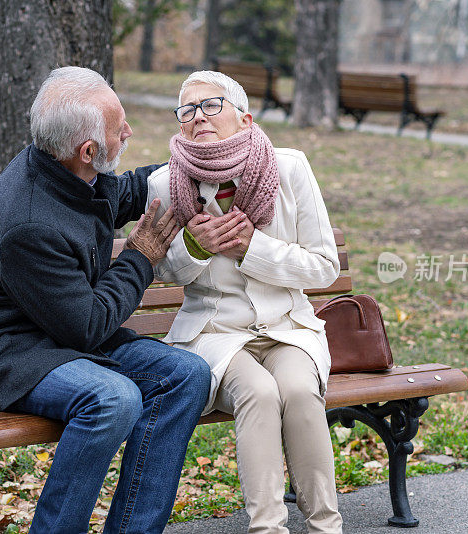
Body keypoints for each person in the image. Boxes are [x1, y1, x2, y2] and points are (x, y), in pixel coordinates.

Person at [0, 66, 211, 534]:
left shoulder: (68, 169)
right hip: (9, 355)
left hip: (63, 337)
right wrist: (140, 257)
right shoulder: (28, 222)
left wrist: (197, 165)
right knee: (113, 399)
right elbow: (89, 325)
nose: (129, 131)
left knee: (186, 375)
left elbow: (125, 193)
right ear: (88, 150)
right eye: (119, 128)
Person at [146, 71, 343, 534]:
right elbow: (160, 272)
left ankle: (326, 526)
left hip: (287, 328)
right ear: (180, 126)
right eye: (188, 110)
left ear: (244, 118)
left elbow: (324, 266)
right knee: (258, 393)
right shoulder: (164, 184)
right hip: (216, 334)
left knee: (297, 391)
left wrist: (252, 249)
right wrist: (196, 248)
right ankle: (267, 528)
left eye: (212, 105)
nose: (199, 117)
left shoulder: (288, 167)